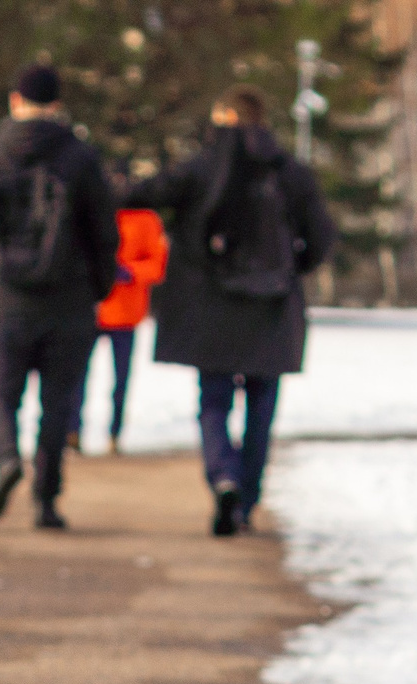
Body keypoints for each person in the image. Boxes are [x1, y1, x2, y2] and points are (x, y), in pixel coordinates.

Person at [127, 85, 337, 537]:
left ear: (223, 117)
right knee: (262, 408)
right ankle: (247, 498)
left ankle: (223, 477)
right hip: (272, 307)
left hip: (213, 308)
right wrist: (292, 268)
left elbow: (143, 194)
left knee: (213, 401)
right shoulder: (290, 172)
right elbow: (320, 235)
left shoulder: (201, 168)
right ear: (261, 119)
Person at [0, 65, 119, 530]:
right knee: (59, 401)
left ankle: (7, 461)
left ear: (14, 101)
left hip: (5, 298)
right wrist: (99, 288)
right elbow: (104, 233)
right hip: (68, 301)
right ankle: (46, 500)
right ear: (58, 105)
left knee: (2, 394)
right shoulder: (81, 157)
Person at [93, 205, 170, 453]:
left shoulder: (146, 219)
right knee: (74, 377)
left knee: (121, 379)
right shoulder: (94, 211)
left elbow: (158, 263)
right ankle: (71, 432)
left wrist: (131, 272)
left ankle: (115, 434)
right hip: (92, 309)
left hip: (126, 312)